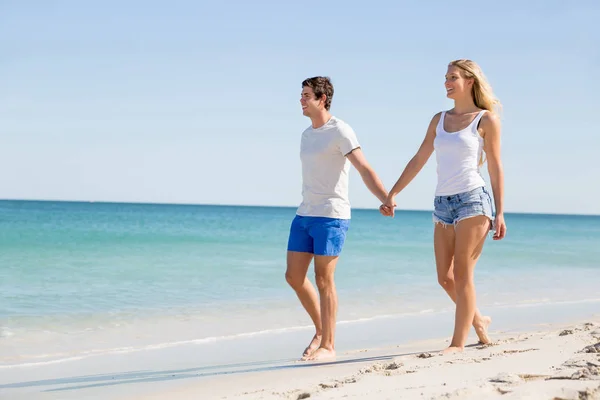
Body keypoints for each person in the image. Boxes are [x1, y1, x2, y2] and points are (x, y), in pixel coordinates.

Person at [380, 59, 507, 354]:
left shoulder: (485, 120)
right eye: (445, 78)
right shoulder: (438, 119)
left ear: (469, 81)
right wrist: (393, 192)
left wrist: (499, 211)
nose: (447, 82)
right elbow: (419, 158)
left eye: (453, 77)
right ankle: (478, 320)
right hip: (442, 204)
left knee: (463, 274)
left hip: (473, 201)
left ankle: (457, 344)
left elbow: (496, 168)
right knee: (445, 277)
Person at [286, 76, 389, 361]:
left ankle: (328, 345)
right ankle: (321, 330)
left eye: (306, 95)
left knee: (323, 279)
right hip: (305, 213)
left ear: (322, 99)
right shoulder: (306, 134)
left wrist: (385, 197)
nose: (301, 100)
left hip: (331, 215)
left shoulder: (341, 130)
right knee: (293, 276)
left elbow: (363, 168)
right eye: (301, 95)